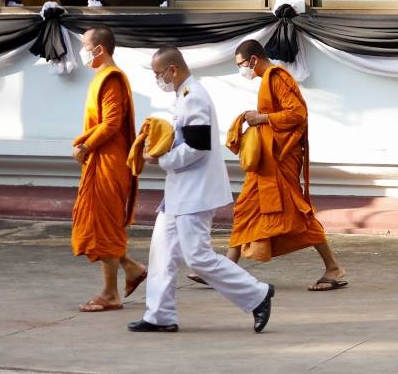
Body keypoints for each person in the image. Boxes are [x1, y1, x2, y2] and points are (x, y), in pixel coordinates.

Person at [128, 46, 274, 333]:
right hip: (180, 191)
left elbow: (197, 146)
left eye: (160, 73)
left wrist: (161, 159)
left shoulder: (194, 96)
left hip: (195, 191)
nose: (158, 79)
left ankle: (257, 294)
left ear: (173, 69)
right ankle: (160, 316)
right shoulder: (184, 95)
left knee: (198, 256)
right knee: (161, 251)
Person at [189, 39, 347, 292]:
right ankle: (226, 271)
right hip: (267, 163)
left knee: (298, 215)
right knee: (244, 209)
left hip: (280, 160)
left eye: (241, 64)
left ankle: (333, 267)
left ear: (253, 60)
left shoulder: (276, 76)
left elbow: (297, 114)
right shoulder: (267, 80)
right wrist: (260, 117)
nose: (242, 70)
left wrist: (262, 117)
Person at [71, 26, 148, 312]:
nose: (82, 51)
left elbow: (112, 123)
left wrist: (86, 146)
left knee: (105, 226)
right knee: (99, 225)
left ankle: (110, 294)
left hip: (109, 163)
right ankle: (132, 268)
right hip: (101, 161)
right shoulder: (101, 78)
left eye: (84, 45)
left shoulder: (112, 78)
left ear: (99, 49)